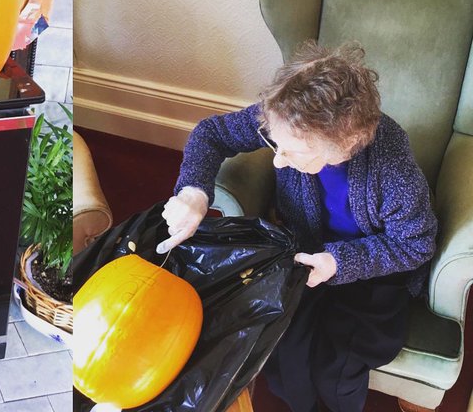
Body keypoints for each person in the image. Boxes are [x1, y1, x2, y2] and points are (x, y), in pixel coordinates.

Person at [159, 42, 436, 412]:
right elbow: (211, 133)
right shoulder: (288, 118)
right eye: (276, 144)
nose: (277, 162)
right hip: (304, 249)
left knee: (337, 367)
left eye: (294, 153)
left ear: (345, 145)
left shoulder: (394, 170)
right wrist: (194, 192)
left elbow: (415, 244)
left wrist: (339, 262)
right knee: (282, 346)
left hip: (374, 268)